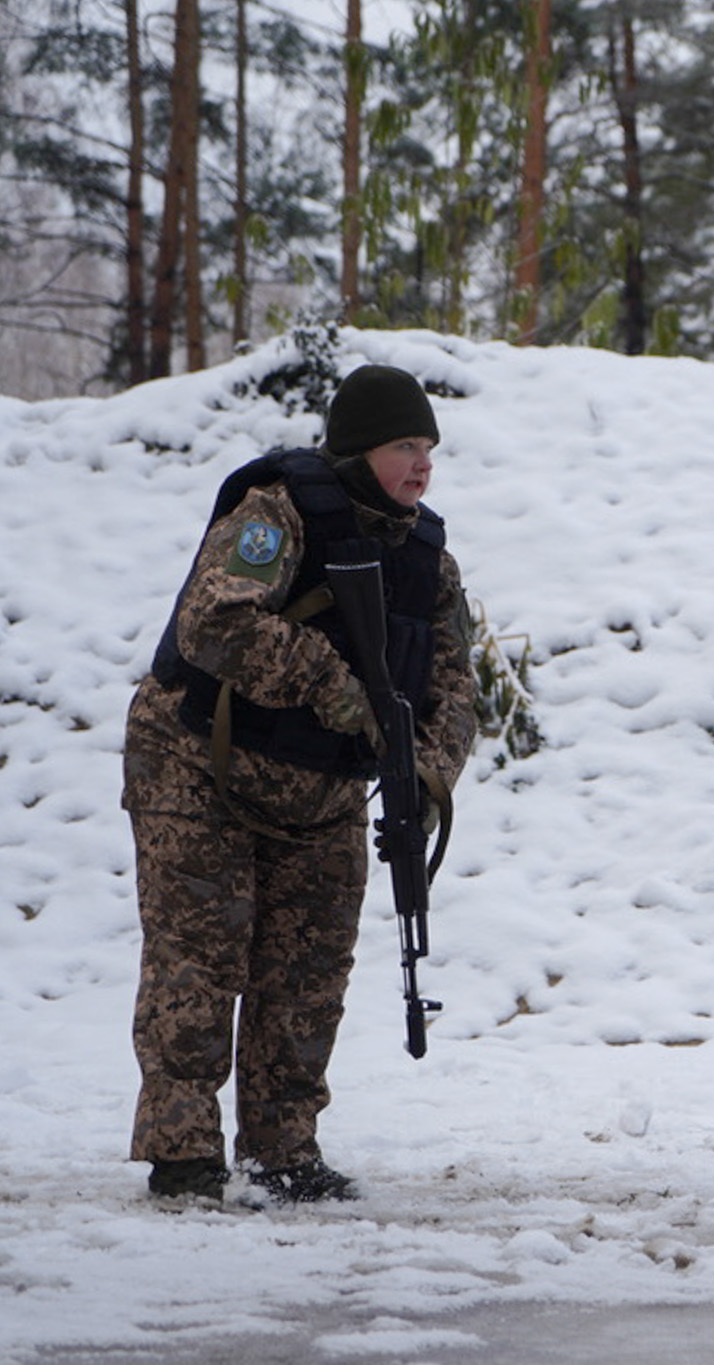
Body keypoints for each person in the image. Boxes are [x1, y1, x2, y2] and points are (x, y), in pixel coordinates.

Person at [124, 363, 477, 1205]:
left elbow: (456, 689)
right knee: (199, 961)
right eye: (404, 446)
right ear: (358, 449)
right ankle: (183, 1153)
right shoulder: (277, 513)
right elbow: (215, 619)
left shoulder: (429, 560)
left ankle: (283, 1149)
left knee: (308, 968)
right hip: (198, 763)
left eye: (429, 447)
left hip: (320, 791)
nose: (422, 466)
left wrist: (427, 772)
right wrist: (338, 689)